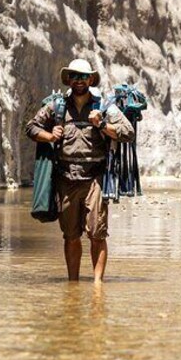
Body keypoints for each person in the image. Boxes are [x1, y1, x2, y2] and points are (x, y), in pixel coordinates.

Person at [25, 59, 134, 283]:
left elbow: (128, 132)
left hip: (95, 179)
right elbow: (31, 127)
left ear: (91, 80)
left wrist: (102, 125)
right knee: (71, 236)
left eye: (84, 77)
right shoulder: (57, 106)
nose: (79, 80)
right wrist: (50, 136)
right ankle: (72, 283)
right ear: (69, 80)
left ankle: (97, 287)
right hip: (65, 179)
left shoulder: (103, 107)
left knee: (97, 233)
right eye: (75, 76)